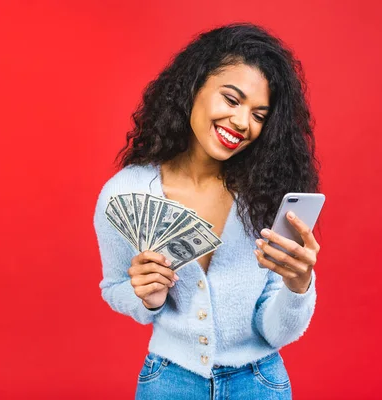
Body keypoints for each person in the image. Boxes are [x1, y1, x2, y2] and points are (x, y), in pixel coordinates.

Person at [93, 22, 321, 399]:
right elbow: (114, 287)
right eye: (232, 100)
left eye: (259, 115)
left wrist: (299, 288)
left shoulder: (264, 196)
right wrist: (146, 298)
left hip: (260, 384)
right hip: (169, 382)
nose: (242, 123)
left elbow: (276, 331)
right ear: (193, 88)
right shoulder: (126, 192)